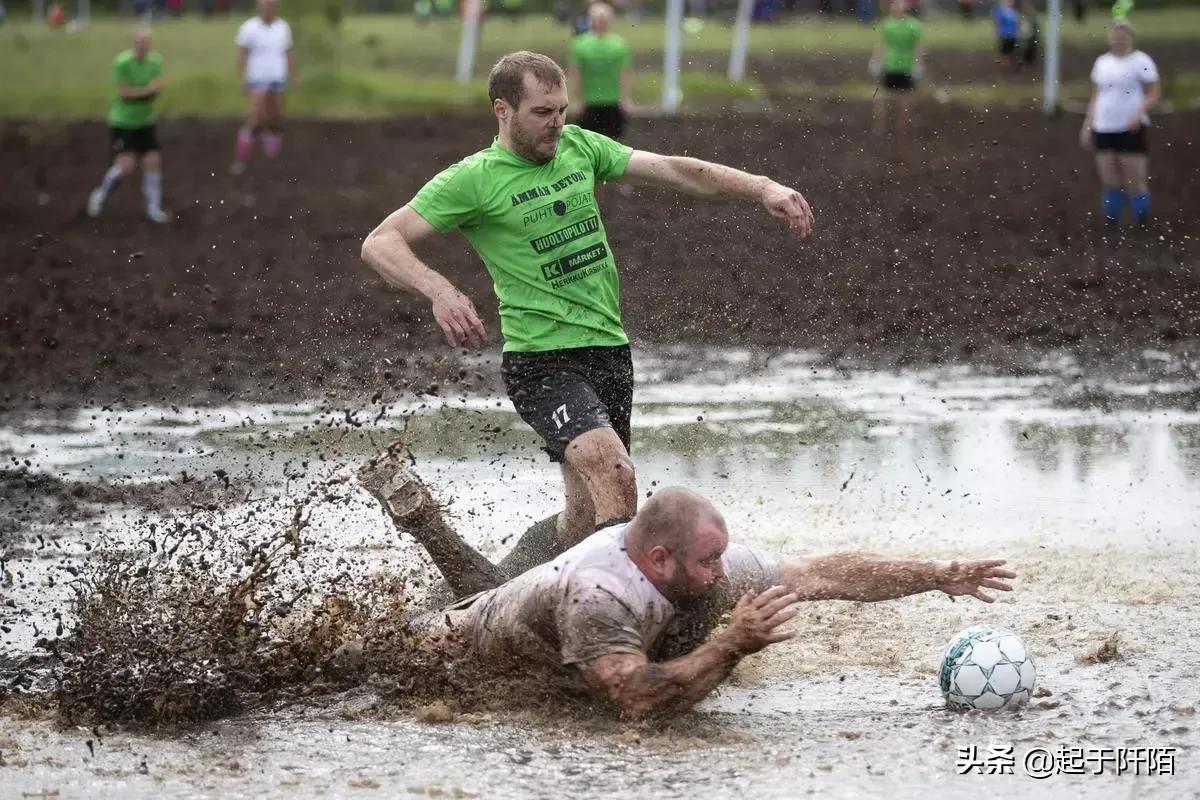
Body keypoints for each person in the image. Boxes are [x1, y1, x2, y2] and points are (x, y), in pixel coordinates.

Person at [359, 52, 813, 554]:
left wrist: (762, 187)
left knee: (586, 514)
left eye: (561, 109)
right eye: (541, 112)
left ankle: (515, 577)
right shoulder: (473, 179)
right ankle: (618, 597)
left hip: (608, 350)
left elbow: (673, 170)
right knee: (616, 473)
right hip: (541, 361)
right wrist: (440, 291)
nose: (556, 123)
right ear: (502, 110)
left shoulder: (581, 146)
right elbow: (380, 242)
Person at [361, 455, 1017, 719]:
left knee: (501, 589)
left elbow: (823, 573)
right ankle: (424, 522)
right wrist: (729, 646)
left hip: (532, 614)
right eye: (708, 562)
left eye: (720, 557)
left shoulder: (703, 564)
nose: (721, 574)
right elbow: (636, 702)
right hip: (451, 651)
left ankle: (424, 522)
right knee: (362, 670)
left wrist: (938, 575)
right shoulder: (601, 597)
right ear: (657, 558)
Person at [1079, 20, 1159, 227]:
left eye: (1123, 36)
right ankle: (1112, 222)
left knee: (1135, 179)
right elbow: (1097, 96)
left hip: (1130, 127)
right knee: (1109, 178)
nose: (1119, 40)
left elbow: (1153, 92)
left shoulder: (1140, 60)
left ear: (1131, 38)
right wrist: (1088, 124)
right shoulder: (1102, 62)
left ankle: (1141, 221)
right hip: (1104, 127)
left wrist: (1138, 112)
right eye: (1115, 36)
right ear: (1109, 38)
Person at [87, 27, 170, 224]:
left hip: (145, 121)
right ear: (133, 43)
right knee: (126, 165)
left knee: (152, 161)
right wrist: (147, 91)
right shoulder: (122, 63)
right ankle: (100, 195)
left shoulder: (155, 62)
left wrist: (145, 92)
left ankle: (153, 208)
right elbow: (124, 94)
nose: (142, 46)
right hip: (123, 122)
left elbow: (158, 87)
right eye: (139, 42)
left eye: (146, 42)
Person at [231, 0, 293, 175]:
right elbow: (241, 54)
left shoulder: (283, 27)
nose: (268, 8)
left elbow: (288, 53)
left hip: (277, 78)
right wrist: (242, 77)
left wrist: (292, 75)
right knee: (257, 118)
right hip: (257, 78)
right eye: (265, 5)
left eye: (271, 5)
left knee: (276, 118)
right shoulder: (249, 28)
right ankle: (241, 159)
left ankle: (272, 160)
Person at [568, 3, 633, 140]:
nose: (601, 22)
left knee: (615, 142)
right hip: (589, 102)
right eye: (598, 19)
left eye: (605, 19)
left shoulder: (619, 44)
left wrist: (625, 98)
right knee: (587, 142)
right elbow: (575, 73)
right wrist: (577, 100)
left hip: (612, 101)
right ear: (591, 20)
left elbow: (624, 73)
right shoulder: (580, 44)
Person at [869, 0, 924, 138]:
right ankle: (885, 125)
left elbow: (918, 47)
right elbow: (881, 45)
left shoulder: (911, 25)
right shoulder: (892, 24)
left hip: (903, 66)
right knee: (888, 97)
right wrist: (876, 61)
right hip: (892, 66)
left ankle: (898, 126)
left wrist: (918, 63)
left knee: (902, 97)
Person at [992, 0, 1020, 70]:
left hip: (1012, 35)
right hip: (1004, 34)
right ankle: (1005, 65)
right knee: (1004, 51)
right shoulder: (1002, 11)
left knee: (1011, 50)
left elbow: (1016, 24)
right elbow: (996, 20)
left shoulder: (1013, 12)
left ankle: (1008, 64)